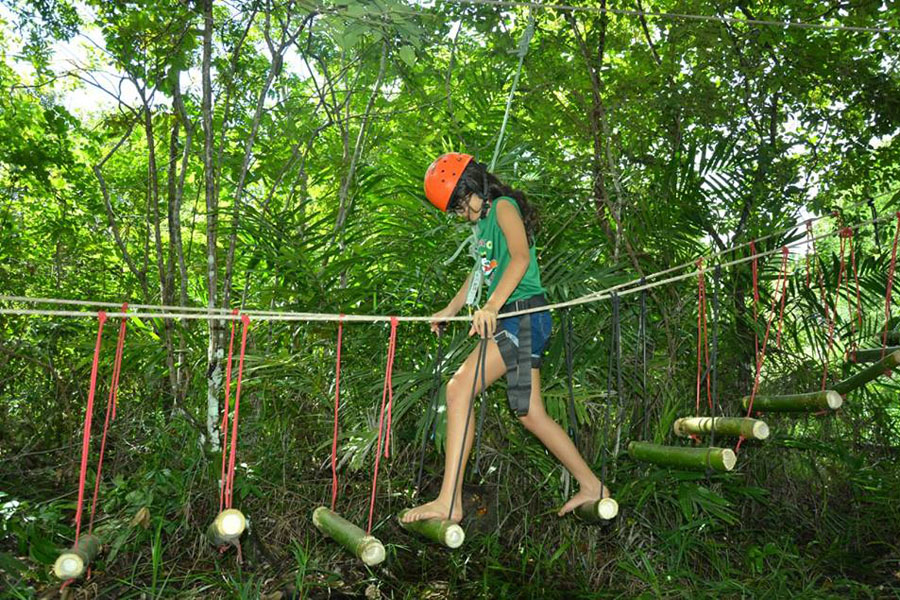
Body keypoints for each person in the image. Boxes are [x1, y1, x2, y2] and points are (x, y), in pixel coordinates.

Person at [401, 152, 610, 524]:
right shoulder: (482, 228)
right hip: (519, 317)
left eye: (461, 205)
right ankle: (591, 485)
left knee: (459, 387)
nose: (461, 215)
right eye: (455, 211)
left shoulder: (502, 208)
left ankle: (450, 501)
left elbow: (519, 259)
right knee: (531, 414)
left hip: (521, 314)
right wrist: (450, 309)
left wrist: (492, 307)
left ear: (474, 187)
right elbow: (481, 274)